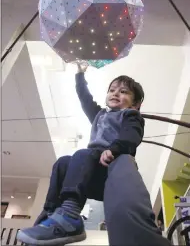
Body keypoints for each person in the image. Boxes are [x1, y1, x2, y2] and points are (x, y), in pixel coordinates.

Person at [17, 63, 170, 246]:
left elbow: (132, 136)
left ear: (136, 104)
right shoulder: (99, 115)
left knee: (83, 154)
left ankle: (70, 214)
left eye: (123, 92)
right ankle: (51, 212)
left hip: (110, 171)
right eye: (112, 90)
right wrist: (80, 75)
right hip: (90, 172)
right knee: (63, 163)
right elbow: (85, 99)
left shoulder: (130, 115)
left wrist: (113, 150)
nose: (115, 94)